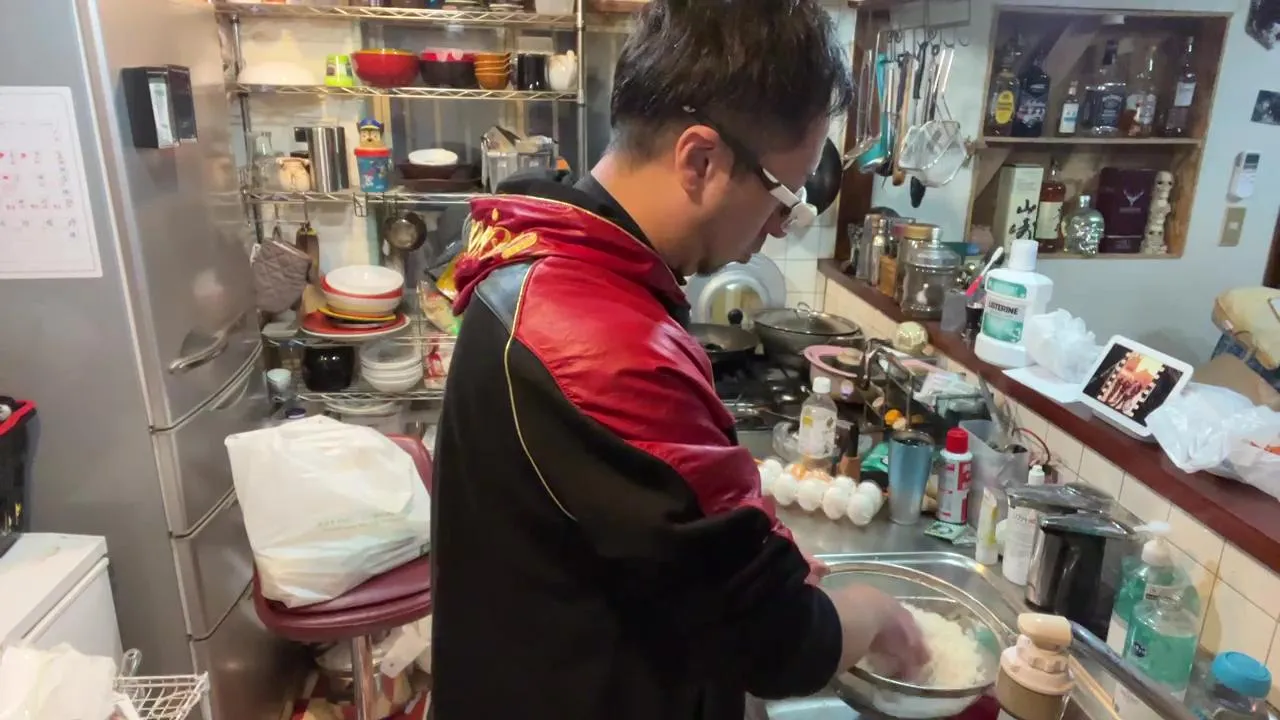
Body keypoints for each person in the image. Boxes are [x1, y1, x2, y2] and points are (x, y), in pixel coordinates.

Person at [430, 1, 929, 717]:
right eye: (782, 198)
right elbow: (776, 643)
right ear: (701, 160)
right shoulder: (602, 344)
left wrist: (747, 555)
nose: (776, 229)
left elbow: (645, 541)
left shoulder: (546, 263)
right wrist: (872, 612)